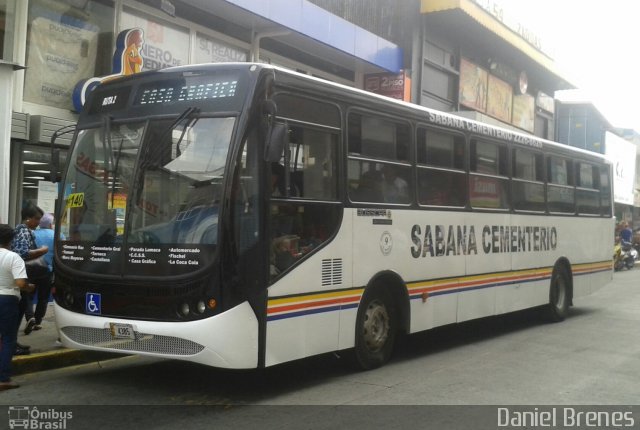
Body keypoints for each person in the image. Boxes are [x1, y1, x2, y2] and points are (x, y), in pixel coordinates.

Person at [0, 224, 35, 390]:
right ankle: (3, 379)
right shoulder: (14, 257)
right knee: (8, 339)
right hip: (7, 299)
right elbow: (21, 283)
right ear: (11, 240)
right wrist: (30, 287)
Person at [11, 205, 48, 339]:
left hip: (24, 273)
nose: (38, 222)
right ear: (27, 218)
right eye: (36, 219)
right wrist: (42, 250)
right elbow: (22, 253)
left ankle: (30, 319)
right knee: (24, 299)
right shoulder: (23, 231)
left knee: (26, 298)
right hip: (25, 272)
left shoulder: (25, 231)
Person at [33, 213, 59, 330]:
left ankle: (29, 317)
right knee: (43, 298)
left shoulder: (32, 233)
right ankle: (38, 321)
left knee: (28, 295)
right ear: (50, 224)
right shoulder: (57, 235)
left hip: (31, 269)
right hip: (47, 271)